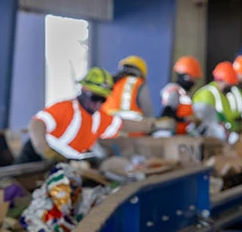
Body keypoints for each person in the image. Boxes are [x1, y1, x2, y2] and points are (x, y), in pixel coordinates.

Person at [16, 67, 153, 163]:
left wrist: (152, 125)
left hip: (66, 162)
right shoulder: (65, 108)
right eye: (94, 97)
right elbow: (37, 124)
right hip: (37, 157)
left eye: (103, 100)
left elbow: (124, 124)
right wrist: (44, 149)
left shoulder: (99, 118)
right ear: (83, 90)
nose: (98, 104)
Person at [192, 61, 241, 141]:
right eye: (229, 83)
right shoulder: (207, 94)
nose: (231, 86)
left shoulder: (224, 95)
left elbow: (228, 118)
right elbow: (203, 122)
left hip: (222, 136)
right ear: (220, 80)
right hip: (207, 139)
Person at [103, 55, 154, 121]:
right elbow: (149, 113)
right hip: (132, 129)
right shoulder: (138, 83)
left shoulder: (111, 82)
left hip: (108, 127)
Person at [160, 56, 202, 135]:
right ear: (186, 77)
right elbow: (167, 115)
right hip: (171, 136)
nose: (194, 82)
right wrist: (186, 119)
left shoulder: (183, 93)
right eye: (193, 78)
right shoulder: (175, 92)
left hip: (180, 135)